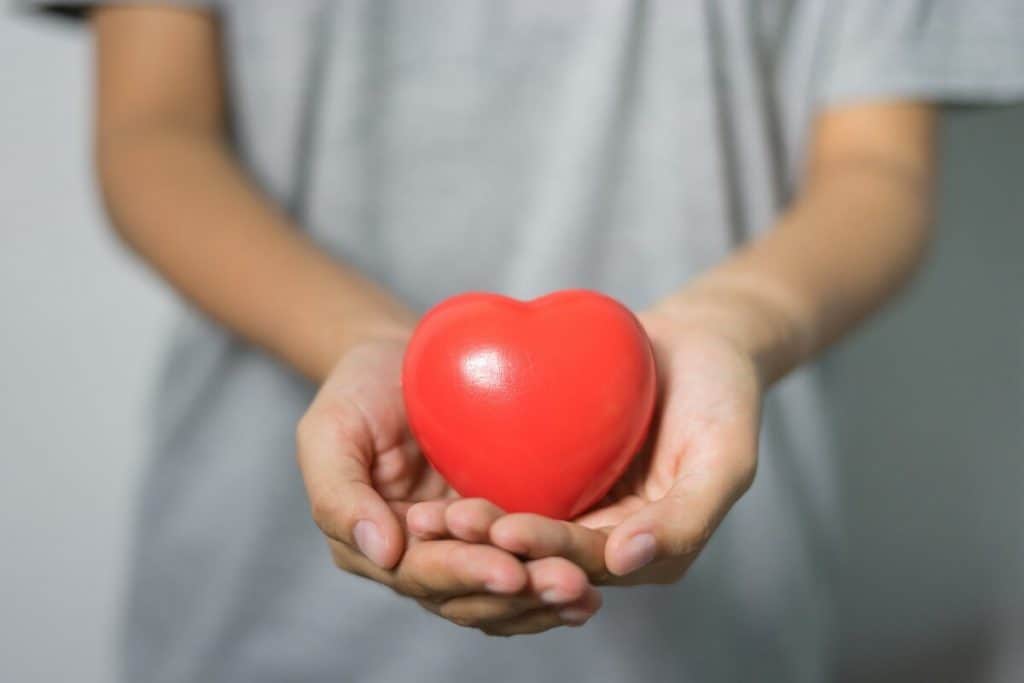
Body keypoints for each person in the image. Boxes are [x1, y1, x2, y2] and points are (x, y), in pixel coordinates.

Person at [26, 1, 1024, 681]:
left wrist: (725, 324)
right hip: (259, 609)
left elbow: (879, 174)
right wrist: (367, 343)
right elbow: (152, 136)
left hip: (719, 624)